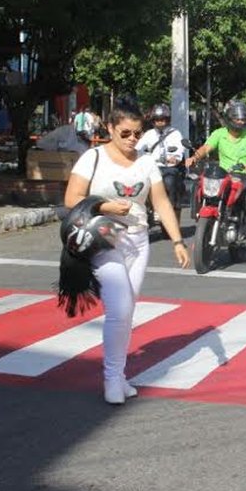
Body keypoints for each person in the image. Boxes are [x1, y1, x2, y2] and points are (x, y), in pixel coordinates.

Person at [62, 98, 190, 405]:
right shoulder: (92, 158)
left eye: (137, 133)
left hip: (138, 240)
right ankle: (110, 379)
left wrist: (177, 241)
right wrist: (104, 206)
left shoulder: (146, 162)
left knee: (127, 310)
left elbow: (160, 203)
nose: (132, 139)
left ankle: (119, 377)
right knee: (119, 309)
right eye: (125, 133)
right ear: (110, 128)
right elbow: (72, 198)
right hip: (104, 240)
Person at [185, 100, 246, 271]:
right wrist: (195, 157)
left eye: (243, 120)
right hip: (221, 174)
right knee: (198, 188)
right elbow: (206, 148)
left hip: (242, 175)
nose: (240, 123)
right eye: (237, 120)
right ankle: (201, 232)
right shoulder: (219, 133)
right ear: (229, 119)